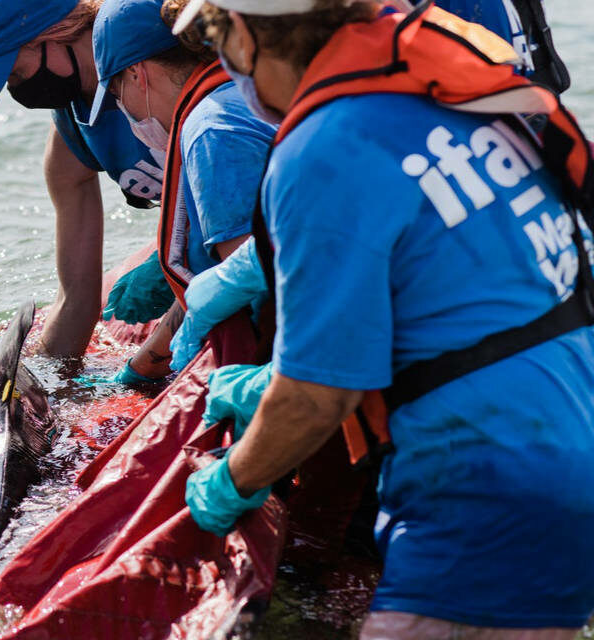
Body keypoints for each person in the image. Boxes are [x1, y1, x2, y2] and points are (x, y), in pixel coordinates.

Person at [172, 0, 594, 636]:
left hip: (488, 483)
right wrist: (268, 383)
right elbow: (468, 308)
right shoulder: (446, 91)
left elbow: (317, 399)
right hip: (571, 438)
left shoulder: (326, 146)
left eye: (211, 32)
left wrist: (230, 483)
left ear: (246, 31)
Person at [0, 0, 167, 360]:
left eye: (14, 74)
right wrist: (53, 386)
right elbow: (76, 297)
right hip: (186, 235)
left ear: (54, 35)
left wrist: (179, 258)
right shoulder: (71, 139)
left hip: (261, 220)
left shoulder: (164, 65)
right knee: (111, 316)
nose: (14, 88)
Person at [91, 0, 275, 384]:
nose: (123, 108)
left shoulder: (212, 130)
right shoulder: (245, 90)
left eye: (117, 93)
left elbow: (257, 291)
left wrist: (148, 366)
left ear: (137, 74)